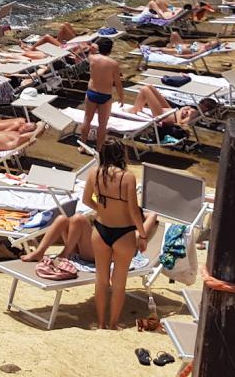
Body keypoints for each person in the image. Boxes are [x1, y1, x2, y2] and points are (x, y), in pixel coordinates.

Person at [82, 139, 147, 330]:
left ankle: (101, 323)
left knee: (101, 280)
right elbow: (134, 211)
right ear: (121, 154)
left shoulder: (94, 173)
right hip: (123, 233)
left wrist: (101, 209)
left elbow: (86, 200)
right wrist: (142, 235)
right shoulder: (127, 177)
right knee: (119, 282)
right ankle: (113, 324)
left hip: (100, 229)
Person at [20, 211, 158, 264]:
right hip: (90, 248)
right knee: (62, 218)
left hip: (98, 256)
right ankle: (39, 252)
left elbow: (152, 215)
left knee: (79, 219)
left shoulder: (133, 235)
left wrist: (144, 216)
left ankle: (66, 253)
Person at [81, 38, 123, 153]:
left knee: (87, 120)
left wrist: (93, 47)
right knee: (102, 124)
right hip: (105, 95)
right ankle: (99, 148)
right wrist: (121, 97)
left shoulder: (92, 58)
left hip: (91, 93)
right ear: (110, 50)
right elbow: (118, 84)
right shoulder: (113, 64)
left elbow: (89, 50)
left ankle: (83, 146)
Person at [127, 84, 214, 127]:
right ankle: (138, 108)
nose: (200, 102)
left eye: (202, 103)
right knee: (149, 86)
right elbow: (183, 109)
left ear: (205, 108)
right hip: (170, 110)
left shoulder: (196, 114)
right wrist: (183, 110)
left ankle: (134, 110)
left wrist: (181, 112)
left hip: (162, 116)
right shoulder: (194, 110)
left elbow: (181, 124)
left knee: (144, 89)